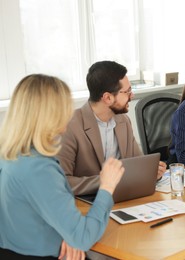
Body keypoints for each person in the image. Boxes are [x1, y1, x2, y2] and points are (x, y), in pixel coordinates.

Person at [0, 74, 124, 259]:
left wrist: (65, 233)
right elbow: (83, 238)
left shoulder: (12, 154)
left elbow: (35, 211)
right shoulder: (39, 169)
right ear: (52, 115)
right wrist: (106, 187)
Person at [57, 61, 166, 196]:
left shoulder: (123, 121)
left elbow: (138, 165)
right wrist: (106, 182)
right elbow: (61, 181)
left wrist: (152, 173)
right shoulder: (69, 126)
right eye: (127, 92)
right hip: (86, 204)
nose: (132, 96)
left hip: (123, 199)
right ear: (107, 98)